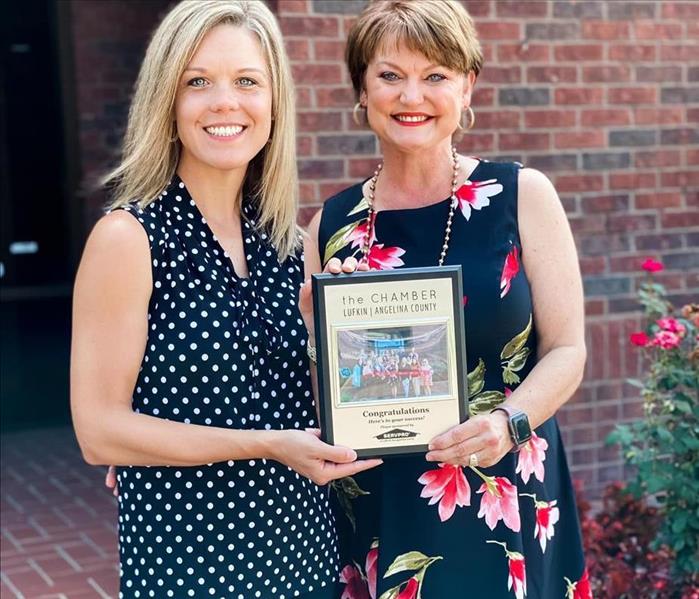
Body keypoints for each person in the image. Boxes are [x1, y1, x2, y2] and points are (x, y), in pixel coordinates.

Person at [70, 2, 380, 597]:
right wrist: (264, 446)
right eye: (197, 82)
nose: (224, 102)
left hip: (304, 556)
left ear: (273, 103)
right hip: (192, 565)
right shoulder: (129, 238)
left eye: (246, 81)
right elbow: (98, 431)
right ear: (168, 101)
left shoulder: (291, 244)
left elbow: (314, 410)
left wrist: (339, 328)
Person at [301, 1, 590, 597]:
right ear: (362, 90)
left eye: (435, 76)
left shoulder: (521, 196)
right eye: (390, 75)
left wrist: (507, 424)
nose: (413, 96)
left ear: (467, 87)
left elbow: (567, 350)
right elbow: (309, 389)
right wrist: (316, 328)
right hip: (385, 502)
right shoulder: (330, 226)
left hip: (502, 488)